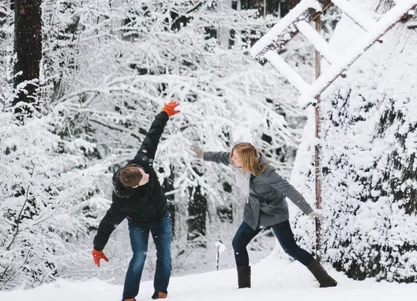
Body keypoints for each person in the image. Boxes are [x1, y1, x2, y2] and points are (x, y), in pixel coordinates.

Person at [192, 141, 336, 289]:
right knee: (238, 243)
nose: (232, 158)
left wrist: (308, 211)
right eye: (232, 155)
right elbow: (221, 157)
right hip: (254, 213)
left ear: (246, 159)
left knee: (290, 249)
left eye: (235, 157)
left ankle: (325, 280)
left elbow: (289, 190)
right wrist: (203, 155)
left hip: (275, 213)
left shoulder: (268, 174)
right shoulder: (238, 161)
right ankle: (244, 287)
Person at [92, 101, 181, 301]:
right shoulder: (122, 203)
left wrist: (164, 114)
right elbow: (107, 224)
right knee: (139, 255)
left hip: (160, 216)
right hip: (138, 223)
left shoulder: (142, 162)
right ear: (134, 186)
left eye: (143, 173)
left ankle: (161, 291)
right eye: (144, 178)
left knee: (164, 254)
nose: (148, 175)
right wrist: (98, 248)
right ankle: (129, 296)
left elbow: (152, 136)